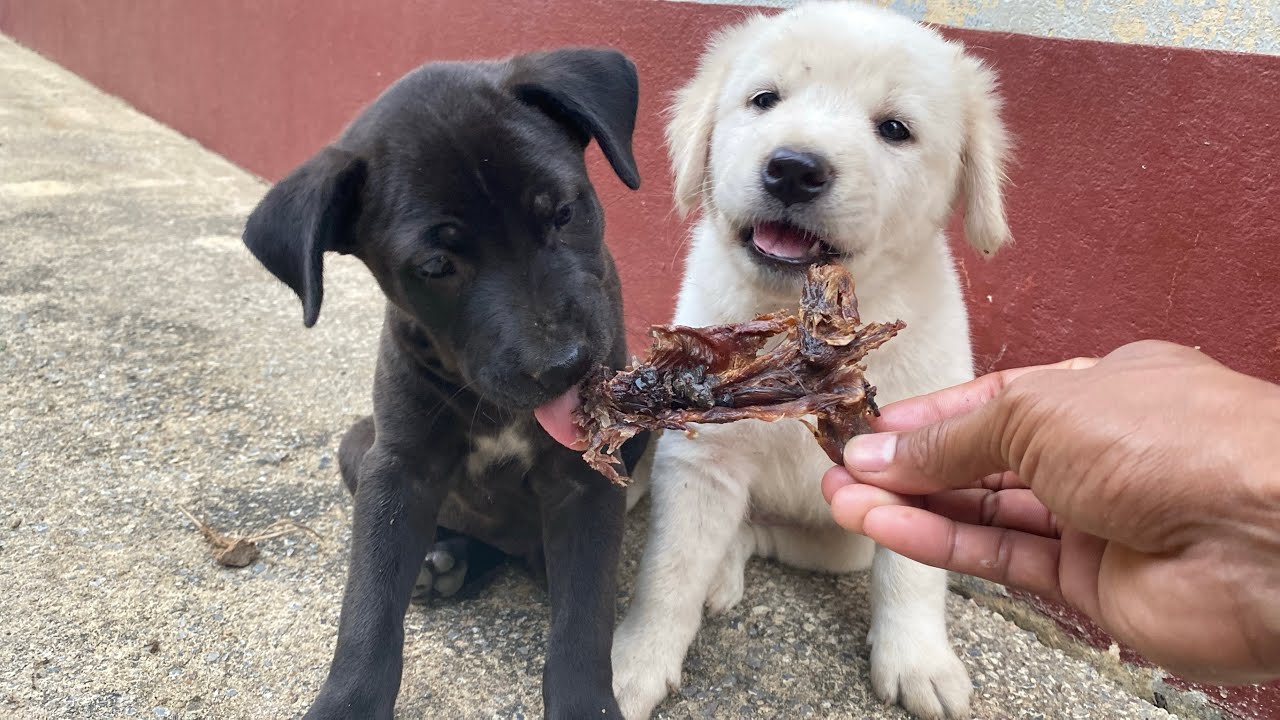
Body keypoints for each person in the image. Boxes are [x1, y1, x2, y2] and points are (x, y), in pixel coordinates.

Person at [821, 340, 1280, 686]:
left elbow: (927, 482)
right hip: (801, 528)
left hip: (848, 534)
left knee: (878, 527)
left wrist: (912, 617)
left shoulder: (930, 324)